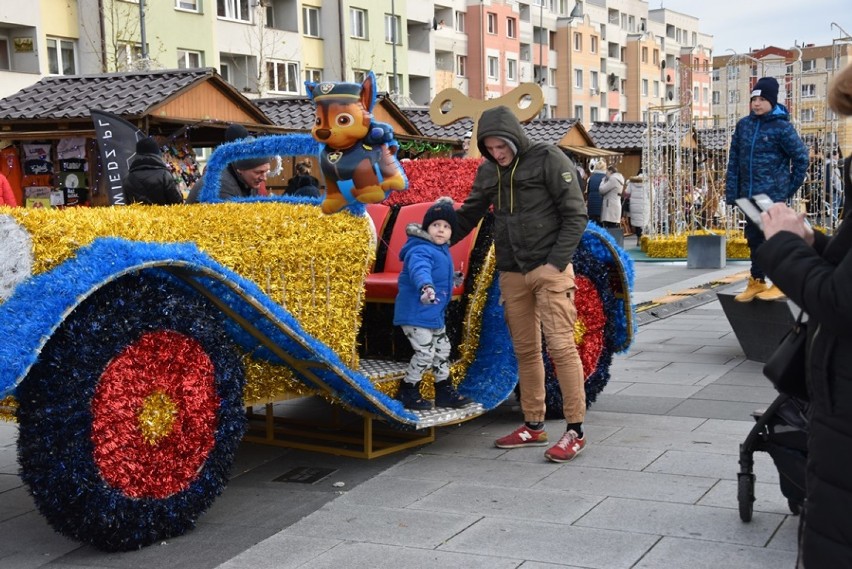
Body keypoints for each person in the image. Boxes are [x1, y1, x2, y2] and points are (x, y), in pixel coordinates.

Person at [754, 61, 852, 569]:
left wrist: (786, 250)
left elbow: (839, 301)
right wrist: (816, 242)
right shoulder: (747, 130)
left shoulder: (785, 132)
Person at [453, 105, 588, 463]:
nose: (497, 154)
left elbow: (576, 214)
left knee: (560, 347)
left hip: (550, 268)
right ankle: (534, 424)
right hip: (512, 271)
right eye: (490, 148)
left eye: (502, 146)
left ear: (515, 137)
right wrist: (435, 236)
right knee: (525, 351)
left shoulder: (548, 158)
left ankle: (575, 430)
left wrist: (554, 264)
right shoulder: (488, 171)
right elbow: (469, 214)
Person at [725, 76, 809, 302]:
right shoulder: (744, 125)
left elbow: (801, 159)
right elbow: (734, 160)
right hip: (747, 195)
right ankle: (757, 281)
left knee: (774, 240)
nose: (757, 104)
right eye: (754, 99)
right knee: (754, 239)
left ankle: (780, 283)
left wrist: (787, 189)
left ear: (772, 101)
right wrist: (732, 192)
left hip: (771, 197)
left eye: (762, 99)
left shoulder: (782, 127)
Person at [393, 197, 472, 411]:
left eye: (446, 227)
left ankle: (443, 388)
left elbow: (439, 273)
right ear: (427, 227)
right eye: (436, 225)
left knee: (443, 349)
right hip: (416, 312)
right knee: (425, 353)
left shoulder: (441, 250)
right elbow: (421, 269)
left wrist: (453, 278)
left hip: (433, 314)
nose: (441, 230)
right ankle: (408, 389)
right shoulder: (420, 249)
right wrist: (425, 286)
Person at [186, 123, 271, 203]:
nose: (264, 178)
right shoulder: (222, 186)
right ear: (241, 169)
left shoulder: (249, 181)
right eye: (259, 172)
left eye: (266, 171)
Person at [122, 137, 183, 205]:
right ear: (156, 153)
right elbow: (177, 203)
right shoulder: (164, 175)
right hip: (163, 215)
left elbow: (127, 205)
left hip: (138, 215)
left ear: (137, 153)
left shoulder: (127, 178)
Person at [626, 175, 648, 240]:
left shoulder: (631, 183)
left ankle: (638, 237)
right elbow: (653, 194)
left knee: (637, 221)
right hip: (645, 204)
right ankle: (642, 237)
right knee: (643, 221)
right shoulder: (648, 182)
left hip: (634, 205)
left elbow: (627, 192)